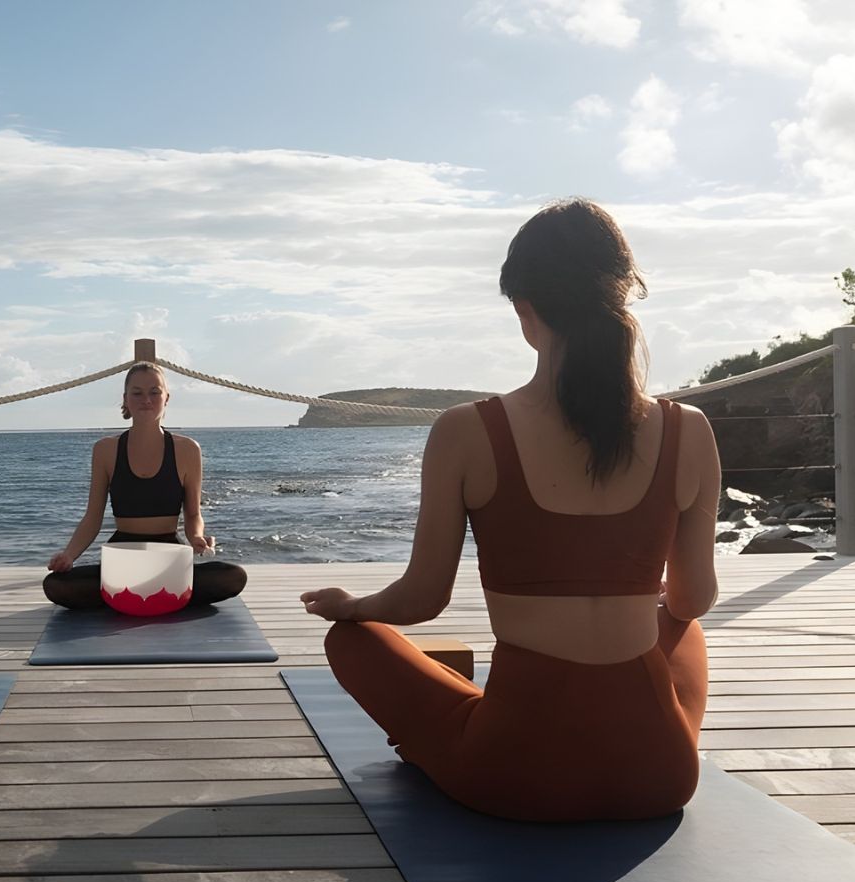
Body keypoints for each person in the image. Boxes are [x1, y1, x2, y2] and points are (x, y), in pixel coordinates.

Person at [300, 198, 720, 821]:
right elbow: (690, 602)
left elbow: (421, 601)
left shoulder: (467, 431)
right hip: (659, 776)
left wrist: (352, 607)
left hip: (516, 774)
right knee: (680, 625)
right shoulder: (690, 430)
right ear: (624, 297)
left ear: (525, 311)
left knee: (352, 642)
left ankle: (461, 721)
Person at [43, 360, 248, 609]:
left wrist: (196, 538)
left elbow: (193, 513)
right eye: (137, 393)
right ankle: (162, 594)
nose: (146, 400)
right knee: (55, 585)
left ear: (166, 398)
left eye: (154, 392)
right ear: (126, 399)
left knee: (233, 576)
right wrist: (69, 555)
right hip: (122, 556)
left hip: (169, 555)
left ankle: (129, 595)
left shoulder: (187, 449)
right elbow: (92, 518)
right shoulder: (105, 450)